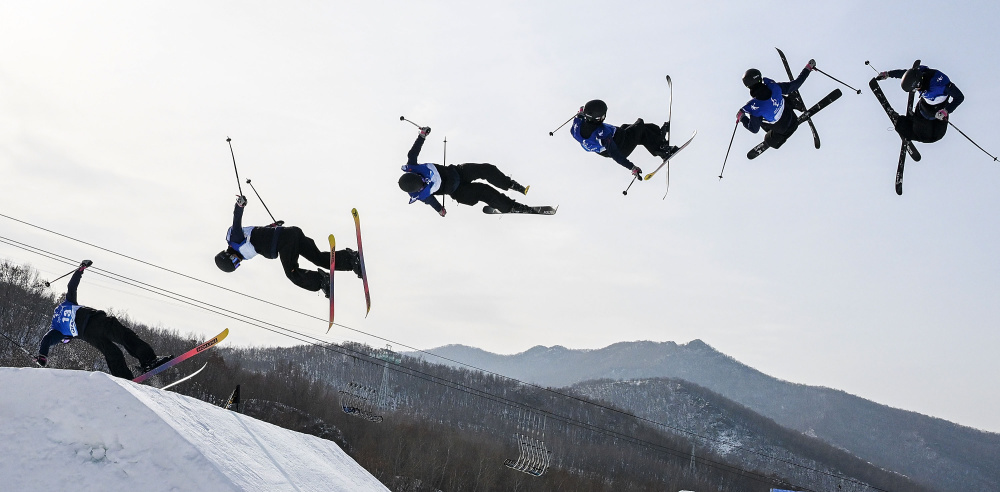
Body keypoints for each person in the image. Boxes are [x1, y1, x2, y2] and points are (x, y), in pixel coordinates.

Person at [35, 260, 171, 379]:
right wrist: (81, 269)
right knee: (125, 336)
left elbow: (46, 340)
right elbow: (71, 286)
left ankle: (124, 378)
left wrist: (42, 356)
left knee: (112, 353)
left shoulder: (57, 330)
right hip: (97, 321)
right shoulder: (68, 304)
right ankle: (148, 360)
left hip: (90, 336)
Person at [214, 195, 360, 298]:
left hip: (284, 242)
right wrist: (273, 226)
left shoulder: (235, 239)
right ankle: (352, 260)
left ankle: (321, 281)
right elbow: (257, 232)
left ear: (228, 255)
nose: (238, 262)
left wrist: (239, 206)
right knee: (319, 258)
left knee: (292, 273)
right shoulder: (242, 251)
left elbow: (236, 221)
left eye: (234, 262)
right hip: (291, 234)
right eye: (237, 265)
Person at [398, 126, 536, 215]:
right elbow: (431, 201)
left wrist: (422, 135)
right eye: (423, 185)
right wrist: (440, 210)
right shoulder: (420, 194)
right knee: (484, 191)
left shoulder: (412, 165)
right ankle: (511, 206)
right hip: (458, 192)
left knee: (486, 169)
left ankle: (510, 184)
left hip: (458, 172)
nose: (424, 183)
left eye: (422, 180)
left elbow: (414, 151)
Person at [569, 99, 678, 179]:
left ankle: (658, 138)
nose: (604, 117)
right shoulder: (602, 135)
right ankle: (662, 150)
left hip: (619, 136)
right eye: (603, 116)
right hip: (621, 146)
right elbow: (615, 155)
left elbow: (580, 116)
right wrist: (632, 167)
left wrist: (582, 112)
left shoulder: (576, 126)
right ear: (597, 119)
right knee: (640, 125)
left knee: (642, 129)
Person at [737, 59, 817, 150]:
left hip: (787, 130)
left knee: (767, 132)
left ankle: (771, 139)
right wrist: (808, 68)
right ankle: (794, 101)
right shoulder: (773, 86)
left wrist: (742, 118)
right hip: (792, 116)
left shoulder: (755, 107)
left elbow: (754, 129)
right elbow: (796, 84)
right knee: (778, 96)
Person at [876, 64, 964, 143]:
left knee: (937, 136)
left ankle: (907, 124)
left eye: (915, 89)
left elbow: (959, 97)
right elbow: (905, 74)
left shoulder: (940, 84)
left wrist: (946, 110)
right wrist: (888, 74)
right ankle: (902, 123)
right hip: (923, 114)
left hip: (939, 113)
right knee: (924, 136)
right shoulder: (919, 72)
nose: (916, 90)